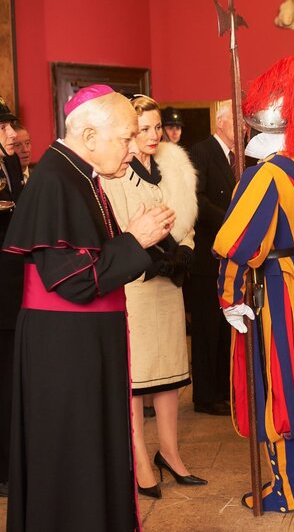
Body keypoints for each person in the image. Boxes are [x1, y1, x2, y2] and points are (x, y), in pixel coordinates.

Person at [2, 85, 175, 531]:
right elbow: (74, 281)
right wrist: (135, 240)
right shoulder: (55, 179)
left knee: (92, 453)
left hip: (82, 345)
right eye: (126, 137)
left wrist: (144, 243)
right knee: (71, 460)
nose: (133, 148)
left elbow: (95, 260)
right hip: (64, 349)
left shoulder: (81, 175)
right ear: (91, 135)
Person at [214, 55, 294, 514]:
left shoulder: (263, 175)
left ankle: (287, 490)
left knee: (279, 384)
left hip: (274, 287)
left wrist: (228, 296)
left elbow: (237, 247)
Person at [103, 95, 205, 500]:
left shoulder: (173, 165)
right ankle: (140, 459)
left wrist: (185, 251)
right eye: (143, 128)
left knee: (170, 373)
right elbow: (119, 230)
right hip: (136, 283)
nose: (152, 135)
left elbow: (186, 218)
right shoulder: (114, 172)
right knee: (137, 376)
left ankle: (171, 453)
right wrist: (155, 255)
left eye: (157, 126)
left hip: (169, 284)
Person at [188, 100, 236, 416]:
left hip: (231, 252)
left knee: (225, 326)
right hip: (207, 253)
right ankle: (206, 395)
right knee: (207, 326)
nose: (242, 127)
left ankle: (224, 389)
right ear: (220, 122)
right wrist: (231, 220)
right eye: (236, 120)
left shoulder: (241, 156)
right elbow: (197, 199)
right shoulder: (202, 152)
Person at [0, 97, 24, 499]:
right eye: (3, 128)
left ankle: (10, 465)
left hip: (12, 284)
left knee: (9, 378)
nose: (12, 133)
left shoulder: (13, 163)